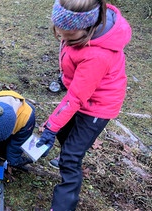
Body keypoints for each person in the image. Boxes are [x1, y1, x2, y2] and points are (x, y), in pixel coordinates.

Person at [36, 0, 132, 210]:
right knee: (64, 133)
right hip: (81, 92)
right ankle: (67, 148)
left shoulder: (97, 55)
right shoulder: (78, 33)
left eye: (69, 37)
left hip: (98, 105)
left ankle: (63, 206)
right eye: (60, 34)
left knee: (71, 157)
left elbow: (76, 98)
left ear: (88, 29)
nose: (63, 39)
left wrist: (51, 126)